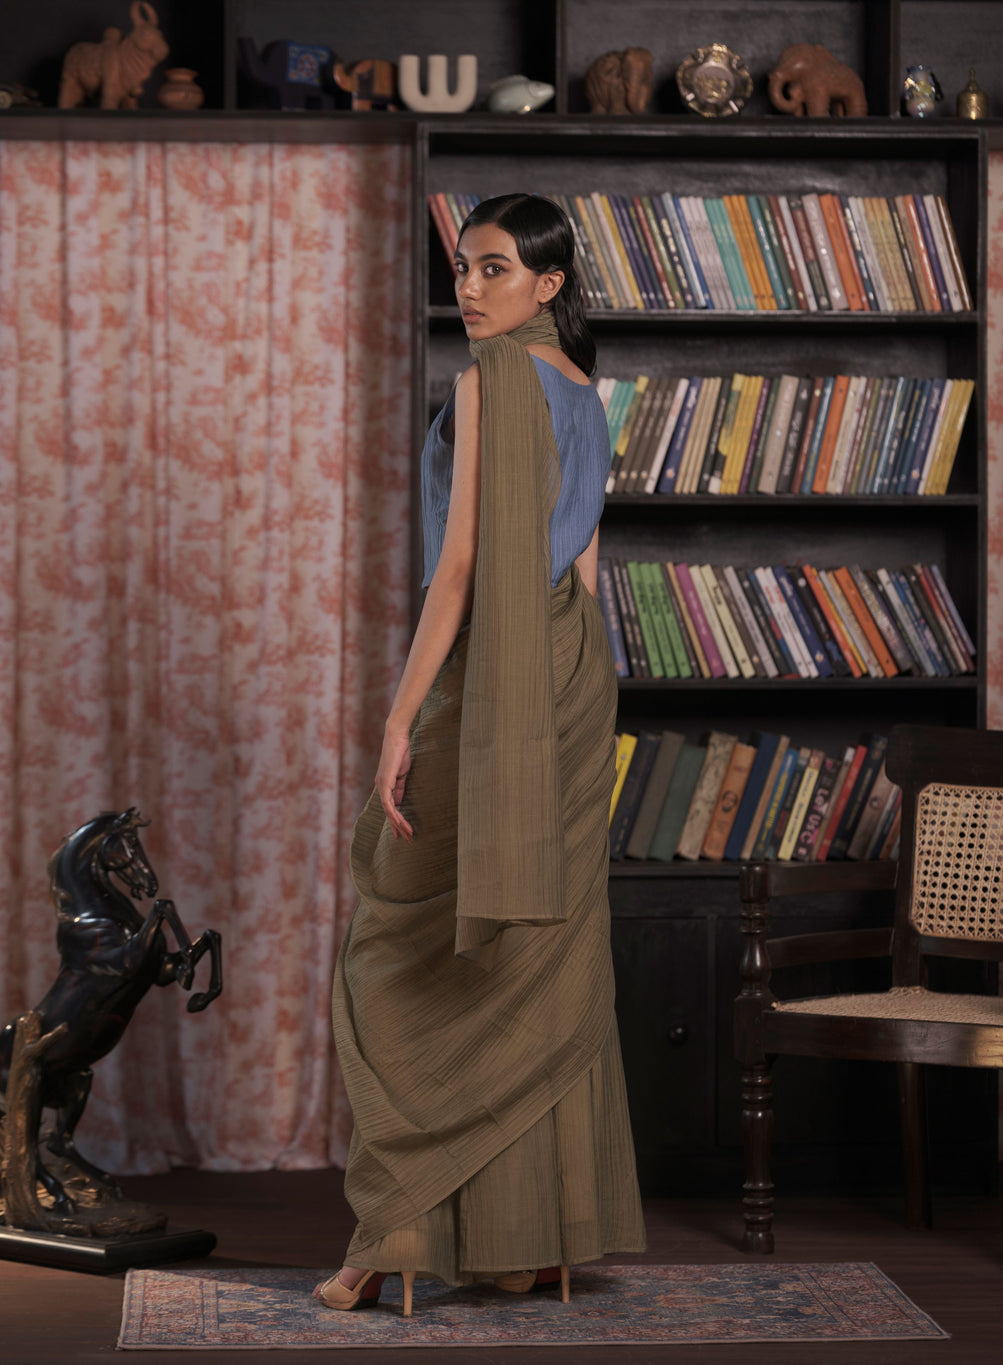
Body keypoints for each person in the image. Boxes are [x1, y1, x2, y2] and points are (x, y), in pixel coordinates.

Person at [314, 193, 646, 1318]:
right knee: (533, 954)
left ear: (548, 284)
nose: (468, 288)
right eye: (462, 268)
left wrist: (400, 718)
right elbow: (587, 570)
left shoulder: (490, 380)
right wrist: (573, 701)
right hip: (572, 676)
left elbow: (458, 572)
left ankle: (394, 1232)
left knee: (403, 952)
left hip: (496, 675)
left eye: (494, 269)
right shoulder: (584, 392)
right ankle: (528, 1242)